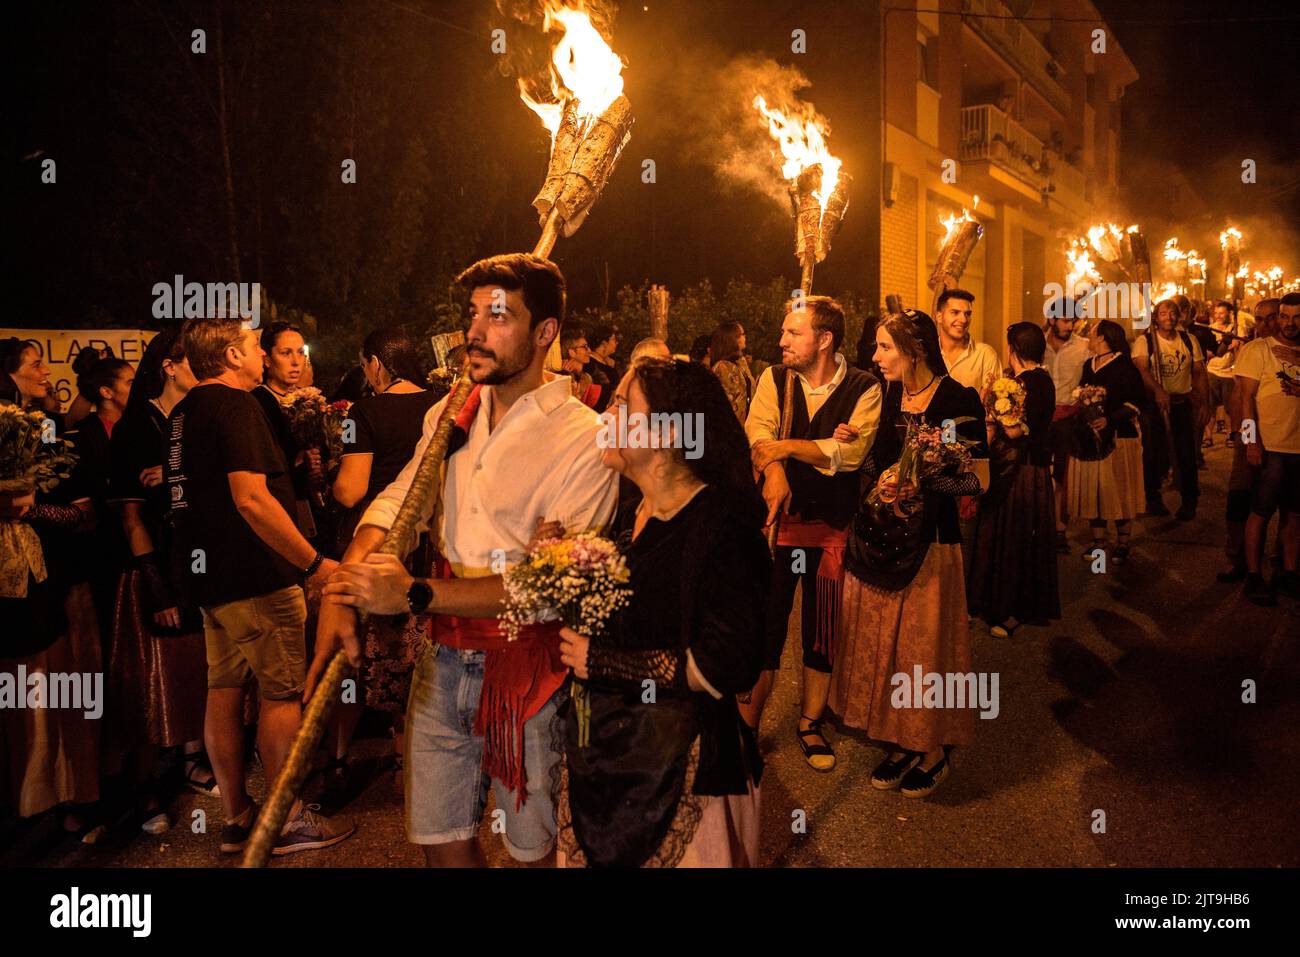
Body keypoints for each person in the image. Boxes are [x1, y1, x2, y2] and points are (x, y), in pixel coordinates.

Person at [314, 254, 618, 867]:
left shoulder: (586, 438)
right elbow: (405, 497)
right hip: (440, 664)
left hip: (528, 671)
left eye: (498, 316)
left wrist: (415, 595)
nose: (473, 332)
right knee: (441, 842)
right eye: (472, 314)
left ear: (545, 333)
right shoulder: (451, 411)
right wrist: (346, 581)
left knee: (531, 853)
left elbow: (552, 585)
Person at [555, 358, 769, 867]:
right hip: (613, 760)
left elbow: (726, 663)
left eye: (622, 404)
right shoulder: (637, 511)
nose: (606, 413)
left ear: (667, 432)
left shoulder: (722, 527)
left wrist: (603, 663)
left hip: (680, 773)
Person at [165, 316, 352, 856]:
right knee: (281, 695)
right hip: (254, 577)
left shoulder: (183, 412)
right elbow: (251, 498)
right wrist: (314, 563)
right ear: (230, 356)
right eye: (253, 346)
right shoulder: (236, 405)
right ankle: (288, 817)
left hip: (209, 582)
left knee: (223, 690)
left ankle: (237, 815)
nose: (262, 355)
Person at [831, 309, 988, 798]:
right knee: (891, 647)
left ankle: (934, 749)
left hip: (931, 544)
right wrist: (864, 456)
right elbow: (880, 457)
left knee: (924, 651)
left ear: (914, 349)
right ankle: (902, 739)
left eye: (884, 347)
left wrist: (921, 478)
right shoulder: (893, 396)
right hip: (884, 542)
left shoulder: (956, 399)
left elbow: (977, 478)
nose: (875, 357)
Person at [741, 296, 881, 772]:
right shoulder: (771, 379)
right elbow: (755, 433)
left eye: (792, 333)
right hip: (775, 528)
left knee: (821, 628)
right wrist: (778, 466)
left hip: (829, 531)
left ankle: (809, 723)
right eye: (783, 331)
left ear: (824, 340)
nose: (781, 341)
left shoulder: (865, 386)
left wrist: (782, 448)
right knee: (764, 626)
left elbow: (851, 455)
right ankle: (747, 727)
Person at [105, 329, 213, 831]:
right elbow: (130, 517)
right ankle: (146, 789)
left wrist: (176, 478)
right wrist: (157, 585)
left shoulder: (199, 417)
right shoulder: (134, 428)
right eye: (194, 361)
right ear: (169, 366)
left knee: (198, 666)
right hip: (153, 566)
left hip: (197, 559)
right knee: (150, 678)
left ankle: (193, 760)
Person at [329, 325, 437, 783]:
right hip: (428, 540)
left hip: (376, 540)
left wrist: (331, 474)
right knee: (421, 646)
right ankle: (410, 750)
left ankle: (338, 754)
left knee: (363, 652)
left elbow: (352, 490)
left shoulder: (362, 412)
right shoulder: (441, 404)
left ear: (375, 363)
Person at [2, 339, 102, 827]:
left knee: (51, 689)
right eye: (34, 364)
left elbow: (73, 508)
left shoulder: (46, 428)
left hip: (49, 574)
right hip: (13, 579)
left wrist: (37, 509)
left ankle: (60, 795)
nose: (45, 370)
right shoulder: (12, 428)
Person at [968, 322, 1060, 637]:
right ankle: (998, 603)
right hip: (1024, 468)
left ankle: (1008, 609)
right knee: (1009, 536)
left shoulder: (1027, 384)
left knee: (1012, 537)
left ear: (1013, 349)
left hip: (1021, 470)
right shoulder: (1039, 380)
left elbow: (1016, 431)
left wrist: (995, 411)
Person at [1234, 291, 1300, 605]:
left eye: (1297, 318)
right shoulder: (1257, 349)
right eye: (1284, 316)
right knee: (1260, 512)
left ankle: (1288, 573)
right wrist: (1251, 441)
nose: (1289, 323)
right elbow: (1245, 399)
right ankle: (1253, 574)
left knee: (1294, 514)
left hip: (1299, 448)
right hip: (1270, 446)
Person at [1066, 320, 1147, 562]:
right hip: (1091, 440)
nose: (1088, 338)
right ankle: (1098, 541)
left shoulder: (1125, 366)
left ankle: (1123, 541)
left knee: (1120, 489)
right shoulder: (1088, 365)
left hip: (1120, 438)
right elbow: (1083, 394)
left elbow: (1136, 402)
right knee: (1096, 490)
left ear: (1102, 338)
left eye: (1091, 334)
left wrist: (1109, 419)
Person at [1219, 298, 1279, 582]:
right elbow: (1240, 397)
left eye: (1272, 317)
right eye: (1259, 318)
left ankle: (1282, 560)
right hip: (1251, 436)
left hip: (1284, 438)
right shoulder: (1251, 350)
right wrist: (1242, 438)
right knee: (1240, 497)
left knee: (1280, 502)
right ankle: (1236, 557)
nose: (1265, 324)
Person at [1134, 298, 1208, 519]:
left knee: (1186, 452)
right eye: (1164, 313)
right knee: (1153, 452)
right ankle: (1153, 497)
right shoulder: (1144, 341)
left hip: (1181, 403)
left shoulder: (1188, 339)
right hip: (1154, 406)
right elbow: (1142, 371)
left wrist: (1204, 402)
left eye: (1173, 313)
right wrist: (1158, 390)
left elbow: (1198, 372)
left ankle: (1189, 500)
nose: (1170, 317)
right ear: (1156, 317)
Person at [252, 321, 321, 538]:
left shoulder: (310, 400)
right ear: (267, 359)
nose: (295, 362)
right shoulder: (258, 401)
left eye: (300, 353)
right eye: (285, 353)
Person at [1042, 304, 1091, 553]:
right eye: (1064, 320)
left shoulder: (1083, 346)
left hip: (1068, 417)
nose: (1070, 326)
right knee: (1039, 473)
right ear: (1051, 320)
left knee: (1062, 475)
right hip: (1040, 418)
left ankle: (1060, 528)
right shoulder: (1038, 345)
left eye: (1073, 320)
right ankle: (1039, 526)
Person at [935, 289, 1000, 398]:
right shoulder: (926, 354)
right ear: (939, 317)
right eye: (955, 312)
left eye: (967, 314)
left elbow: (994, 405)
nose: (963, 319)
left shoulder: (985, 355)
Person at [1204, 300, 1244, 447]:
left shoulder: (1235, 329)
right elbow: (1208, 352)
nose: (1218, 316)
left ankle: (1229, 435)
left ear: (1229, 314)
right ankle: (1208, 437)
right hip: (1211, 371)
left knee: (1229, 408)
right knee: (1210, 407)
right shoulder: (1209, 330)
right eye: (1216, 313)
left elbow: (1238, 346)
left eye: (1222, 313)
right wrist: (1224, 346)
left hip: (1228, 373)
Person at [710, 320, 756, 423]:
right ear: (732, 339)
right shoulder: (722, 368)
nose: (745, 337)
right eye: (742, 334)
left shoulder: (740, 364)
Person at [559, 327, 600, 407]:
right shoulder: (563, 378)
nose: (589, 351)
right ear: (572, 352)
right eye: (585, 347)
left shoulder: (587, 378)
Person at [586, 322, 622, 412]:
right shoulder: (591, 364)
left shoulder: (607, 362)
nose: (616, 343)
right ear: (604, 343)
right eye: (613, 340)